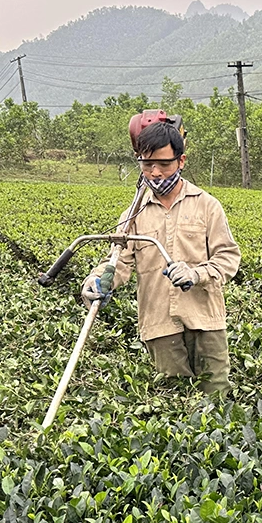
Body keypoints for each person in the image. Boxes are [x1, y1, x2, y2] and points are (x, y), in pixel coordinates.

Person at [82, 120, 240, 394]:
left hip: (205, 320)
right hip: (159, 325)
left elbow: (227, 258)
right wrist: (97, 281)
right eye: (147, 165)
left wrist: (196, 274)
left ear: (181, 161)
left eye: (164, 165)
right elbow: (119, 262)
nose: (155, 173)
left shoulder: (207, 205)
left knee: (216, 399)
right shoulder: (133, 215)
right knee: (174, 401)